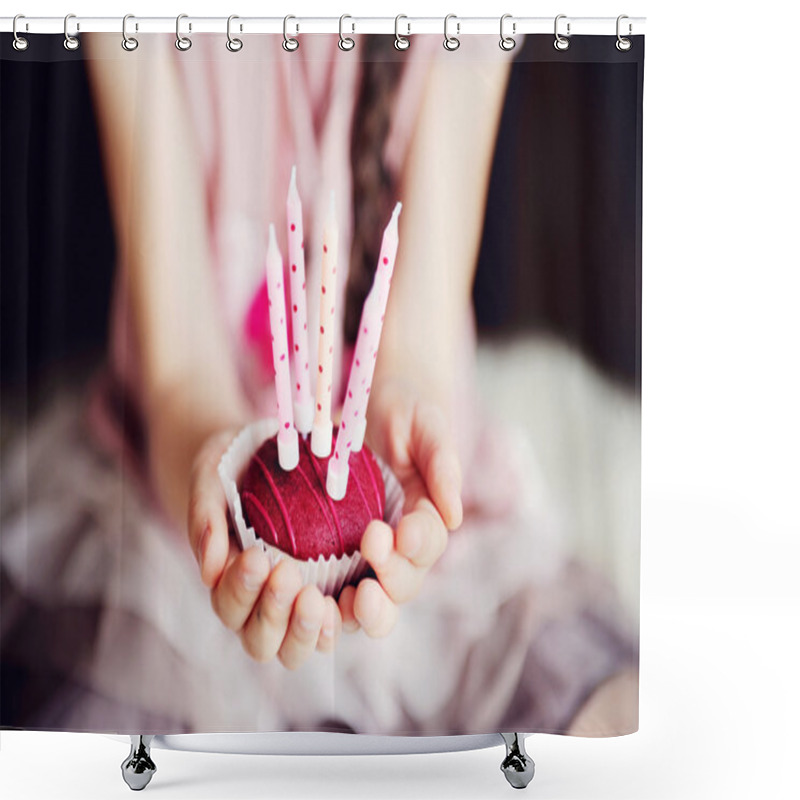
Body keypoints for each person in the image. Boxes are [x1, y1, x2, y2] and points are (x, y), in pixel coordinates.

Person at [0, 32, 637, 736]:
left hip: (441, 556)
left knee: (608, 725)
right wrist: (218, 467)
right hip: (164, 510)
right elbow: (180, 374)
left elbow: (417, 347)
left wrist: (405, 414)